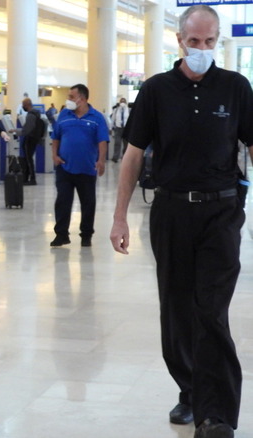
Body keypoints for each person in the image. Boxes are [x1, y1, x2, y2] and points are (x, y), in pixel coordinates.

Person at [110, 6, 253, 438]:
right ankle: (190, 390)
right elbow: (133, 156)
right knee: (175, 309)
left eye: (210, 43)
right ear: (179, 39)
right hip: (171, 211)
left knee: (211, 310)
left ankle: (217, 415)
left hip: (222, 211)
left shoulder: (236, 86)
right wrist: (119, 217)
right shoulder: (156, 90)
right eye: (195, 42)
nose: (202, 50)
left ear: (219, 41)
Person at [50, 83, 108, 247]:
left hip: (87, 168)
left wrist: (101, 161)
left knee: (88, 203)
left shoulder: (96, 118)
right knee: (62, 201)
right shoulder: (64, 115)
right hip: (64, 168)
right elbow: (56, 137)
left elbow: (102, 141)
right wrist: (54, 155)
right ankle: (61, 234)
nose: (68, 100)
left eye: (71, 97)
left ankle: (86, 235)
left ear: (81, 99)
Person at [19, 97, 43, 185]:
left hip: (30, 138)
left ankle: (31, 178)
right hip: (34, 138)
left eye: (23, 105)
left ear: (27, 105)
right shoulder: (37, 114)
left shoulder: (31, 115)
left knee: (28, 159)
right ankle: (28, 177)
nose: (23, 107)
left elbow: (27, 129)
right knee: (29, 158)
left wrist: (17, 132)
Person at [109, 97, 129, 162]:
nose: (122, 103)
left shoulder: (128, 110)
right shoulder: (116, 110)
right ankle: (115, 157)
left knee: (126, 144)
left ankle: (125, 157)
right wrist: (110, 128)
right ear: (119, 103)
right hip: (118, 128)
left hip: (126, 128)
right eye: (121, 101)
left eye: (124, 101)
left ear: (126, 103)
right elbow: (113, 119)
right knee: (117, 143)